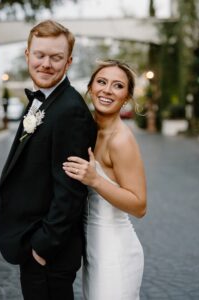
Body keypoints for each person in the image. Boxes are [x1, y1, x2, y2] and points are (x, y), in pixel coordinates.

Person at [0, 20, 97, 300]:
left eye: (56, 57)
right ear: (28, 55)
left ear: (68, 62)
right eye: (40, 55)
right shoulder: (46, 99)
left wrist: (42, 247)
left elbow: (70, 191)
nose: (46, 64)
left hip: (49, 252)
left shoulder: (70, 111)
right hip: (34, 240)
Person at [63, 59, 147, 300]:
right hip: (93, 249)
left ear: (127, 96)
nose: (107, 90)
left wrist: (96, 180)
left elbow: (140, 206)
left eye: (118, 86)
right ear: (90, 88)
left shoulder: (121, 140)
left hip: (115, 253)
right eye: (101, 82)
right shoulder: (89, 130)